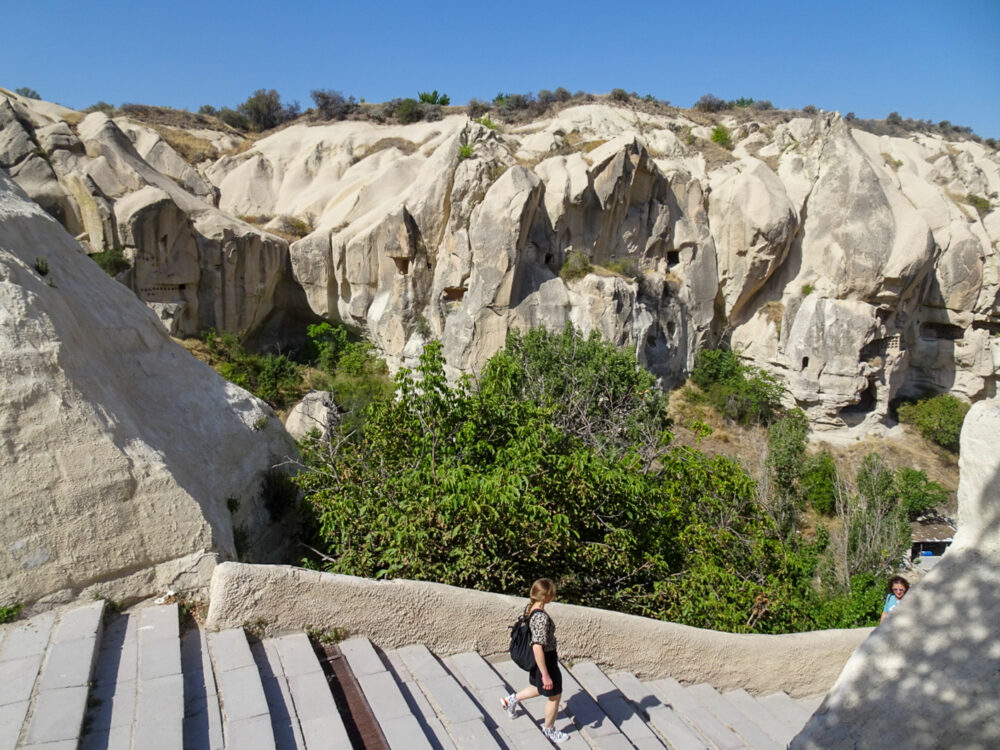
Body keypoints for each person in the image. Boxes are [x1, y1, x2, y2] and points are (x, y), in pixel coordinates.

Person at [501, 578, 568, 743]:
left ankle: (510, 701)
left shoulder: (530, 608)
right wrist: (545, 674)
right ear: (546, 597)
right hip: (545, 659)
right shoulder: (541, 617)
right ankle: (549, 729)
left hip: (540, 660)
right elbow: (537, 646)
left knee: (537, 687)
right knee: (554, 695)